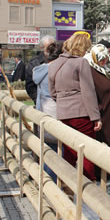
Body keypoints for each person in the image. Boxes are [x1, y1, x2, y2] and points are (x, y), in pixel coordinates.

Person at [48, 32, 102, 181]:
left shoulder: (55, 64)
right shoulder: (81, 62)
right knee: (86, 150)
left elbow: (52, 91)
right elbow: (88, 92)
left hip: (63, 113)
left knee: (69, 151)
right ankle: (88, 184)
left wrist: (63, 103)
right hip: (82, 112)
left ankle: (67, 182)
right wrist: (96, 117)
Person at [33, 42, 63, 181]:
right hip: (56, 115)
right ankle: (51, 185)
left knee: (46, 152)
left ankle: (44, 182)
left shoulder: (40, 70)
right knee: (57, 154)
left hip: (42, 114)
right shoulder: (57, 70)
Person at [84, 44, 110, 152]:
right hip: (101, 116)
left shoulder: (107, 68)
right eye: (101, 59)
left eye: (106, 58)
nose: (104, 61)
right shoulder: (89, 69)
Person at [26, 35, 55, 104]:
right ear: (42, 48)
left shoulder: (60, 60)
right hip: (43, 102)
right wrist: (37, 100)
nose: (51, 49)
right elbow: (30, 86)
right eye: (49, 47)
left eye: (53, 46)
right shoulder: (34, 63)